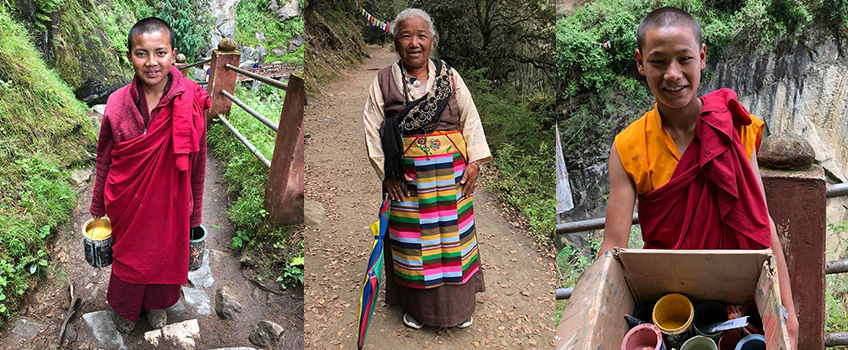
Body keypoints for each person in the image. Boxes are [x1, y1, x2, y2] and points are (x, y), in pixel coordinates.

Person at [598, 7, 799, 347]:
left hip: (741, 296)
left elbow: (760, 221)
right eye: (658, 62)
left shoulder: (733, 125)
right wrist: (590, 319)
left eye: (684, 59)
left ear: (702, 57)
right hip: (667, 303)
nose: (672, 74)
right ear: (640, 62)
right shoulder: (629, 147)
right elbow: (612, 247)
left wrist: (787, 313)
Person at [363, 8, 492, 329]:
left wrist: (474, 162)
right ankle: (417, 309)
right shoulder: (382, 83)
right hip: (407, 183)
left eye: (421, 36)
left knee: (454, 242)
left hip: (452, 180)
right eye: (406, 36)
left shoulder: (450, 77)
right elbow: (371, 129)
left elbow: (470, 119)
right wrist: (388, 175)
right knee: (413, 245)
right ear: (396, 42)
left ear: (432, 42)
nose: (414, 43)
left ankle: (459, 309)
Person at [89, 17, 209, 333]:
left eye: (160, 52)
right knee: (128, 260)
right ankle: (125, 309)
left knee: (166, 256)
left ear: (173, 54)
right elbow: (104, 159)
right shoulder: (116, 103)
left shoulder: (192, 99)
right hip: (126, 203)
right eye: (142, 54)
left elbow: (198, 164)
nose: (152, 62)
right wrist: (96, 209)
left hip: (172, 201)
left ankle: (156, 305)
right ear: (130, 56)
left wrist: (195, 215)